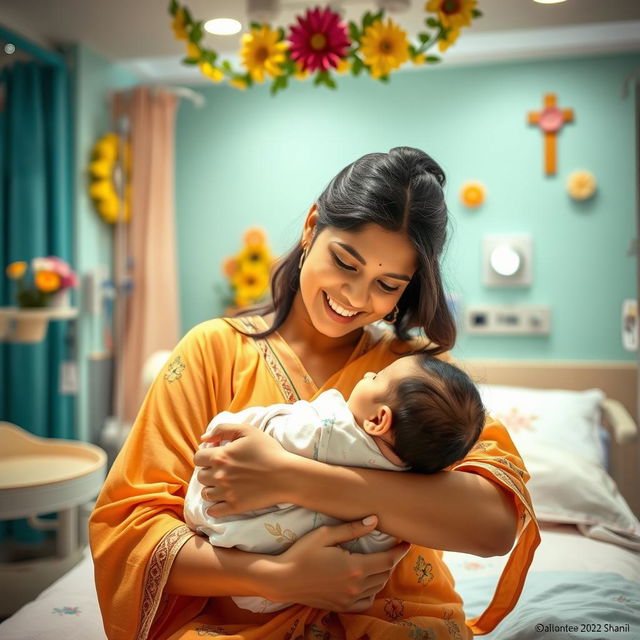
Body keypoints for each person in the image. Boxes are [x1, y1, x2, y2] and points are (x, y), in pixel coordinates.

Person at [90, 146, 540, 640]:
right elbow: (126, 533)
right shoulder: (211, 352)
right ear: (311, 227)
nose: (355, 297)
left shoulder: (414, 375)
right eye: (345, 262)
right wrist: (274, 577)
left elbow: (494, 525)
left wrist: (288, 477)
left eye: (387, 285)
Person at [184, 353, 485, 614]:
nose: (368, 374)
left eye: (377, 377)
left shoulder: (329, 430)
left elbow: (267, 431)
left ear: (378, 419)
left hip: (224, 525)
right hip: (287, 593)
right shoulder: (410, 496)